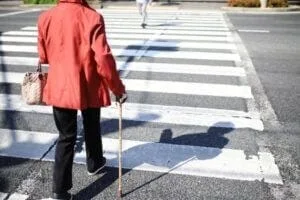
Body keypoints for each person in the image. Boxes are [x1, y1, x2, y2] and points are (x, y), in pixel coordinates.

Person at [37, 0, 127, 199]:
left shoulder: (46, 17)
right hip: (88, 82)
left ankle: (59, 191)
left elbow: (43, 56)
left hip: (60, 83)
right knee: (92, 124)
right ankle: (94, 162)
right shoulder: (92, 17)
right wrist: (117, 88)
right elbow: (103, 58)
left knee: (66, 136)